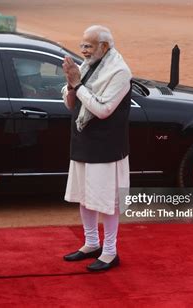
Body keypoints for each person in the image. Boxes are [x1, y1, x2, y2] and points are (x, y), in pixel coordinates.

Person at [61, 25, 132, 271]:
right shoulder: (88, 66)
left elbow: (103, 110)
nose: (83, 51)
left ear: (104, 46)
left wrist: (77, 86)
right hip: (83, 142)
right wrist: (72, 86)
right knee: (84, 197)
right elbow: (72, 105)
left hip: (106, 148)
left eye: (88, 46)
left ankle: (110, 252)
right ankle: (91, 243)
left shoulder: (120, 72)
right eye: (82, 45)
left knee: (107, 202)